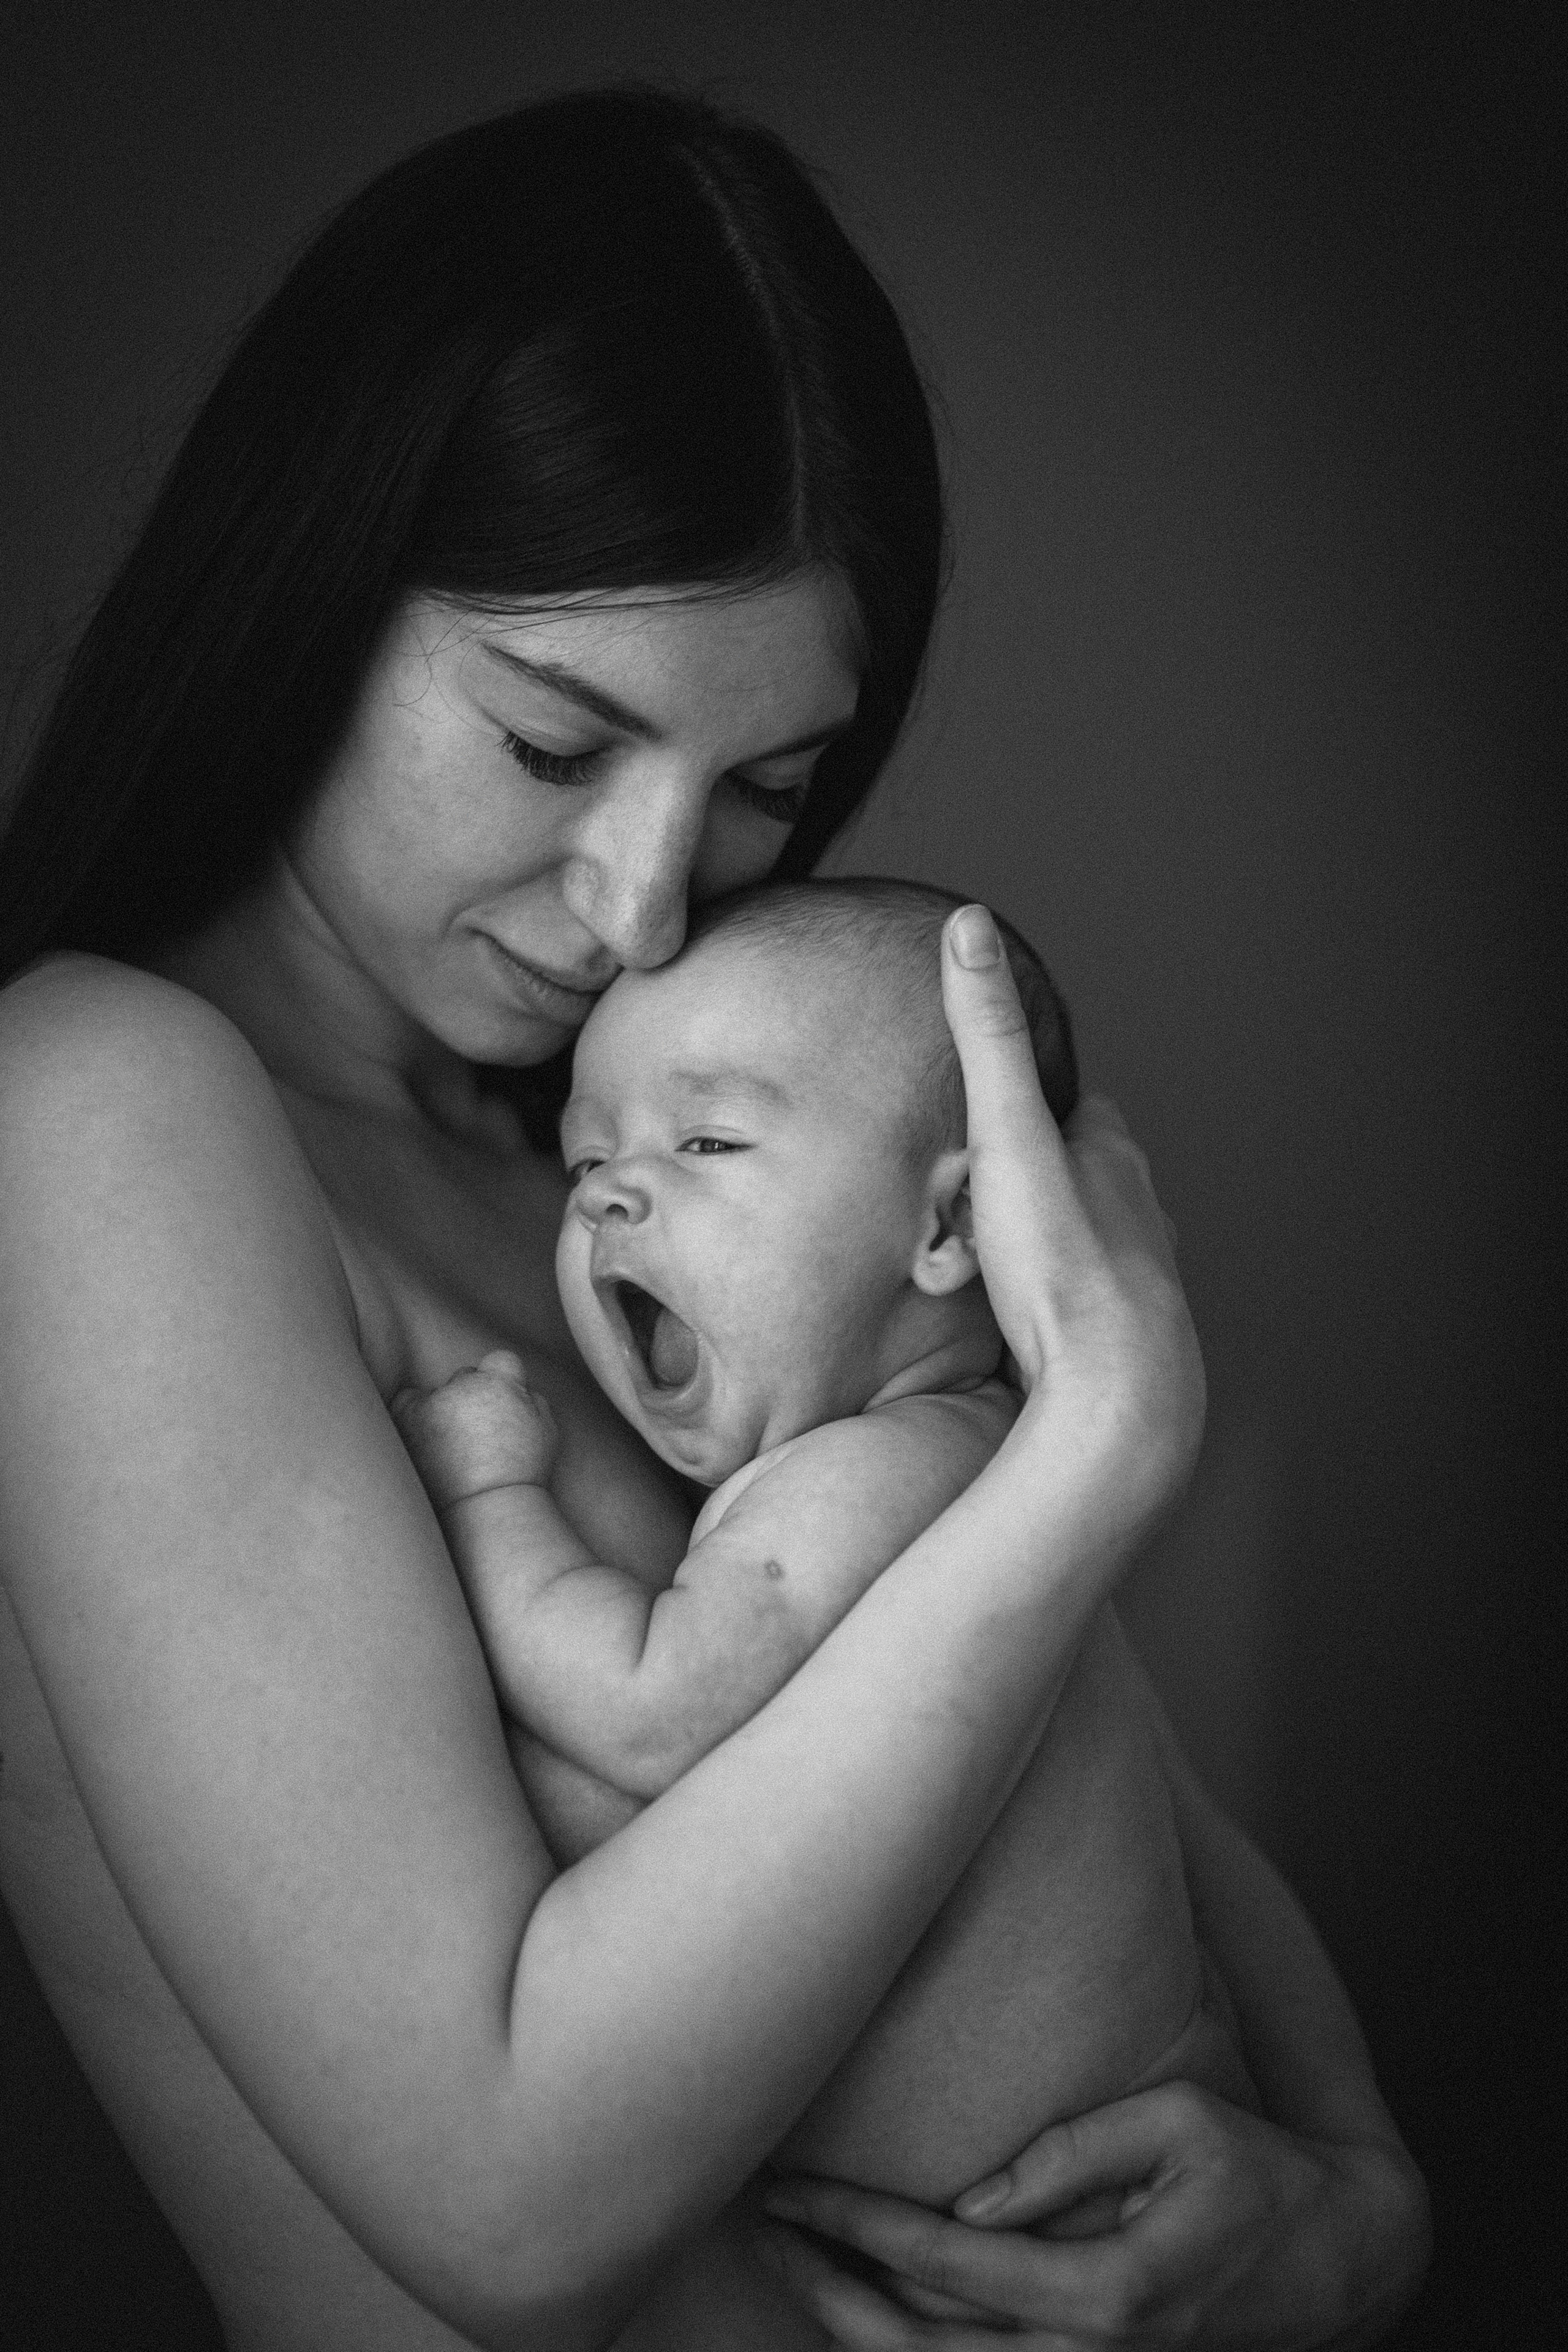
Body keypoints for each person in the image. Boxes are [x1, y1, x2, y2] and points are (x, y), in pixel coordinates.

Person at [0, 88, 1428, 2352]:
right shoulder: (100, 1109)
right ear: (313, 580)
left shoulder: (663, 1151)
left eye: (766, 787)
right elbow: (510, 2195)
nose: (645, 904)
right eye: (557, 748)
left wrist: (1351, 2208)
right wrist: (1099, 1450)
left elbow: (1085, 1759)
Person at [392, 874, 1264, 2227]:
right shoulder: (987, 1481)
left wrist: (484, 1493)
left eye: (709, 1144)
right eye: (584, 1160)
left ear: (948, 1229)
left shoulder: (867, 1477)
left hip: (1039, 2235)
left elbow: (652, 1707)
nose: (610, 1196)